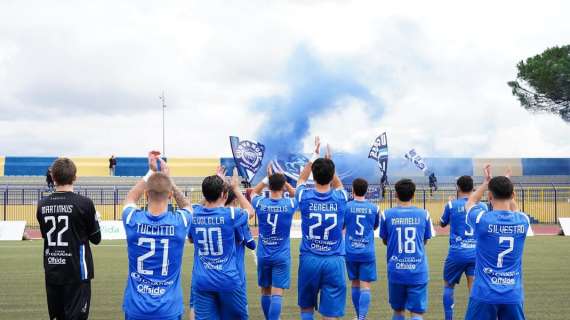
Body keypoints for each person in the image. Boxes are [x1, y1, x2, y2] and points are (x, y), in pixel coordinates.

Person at [122, 151, 192, 320]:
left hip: (136, 307)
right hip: (168, 307)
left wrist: (151, 172)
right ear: (169, 195)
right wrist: (170, 182)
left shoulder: (132, 219)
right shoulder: (179, 222)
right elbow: (188, 206)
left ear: (146, 194)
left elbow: (130, 198)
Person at [36, 157, 101, 320]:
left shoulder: (42, 204)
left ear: (53, 177)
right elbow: (96, 238)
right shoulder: (84, 203)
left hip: (53, 271)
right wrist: (96, 220)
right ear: (75, 177)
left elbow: (45, 235)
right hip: (77, 272)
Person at [464, 165, 530, 320]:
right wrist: (506, 182)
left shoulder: (482, 220)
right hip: (512, 294)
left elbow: (471, 202)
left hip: (484, 293)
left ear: (489, 197)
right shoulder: (523, 221)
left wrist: (486, 182)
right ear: (513, 194)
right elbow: (516, 210)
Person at [188, 168, 255, 320]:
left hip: (202, 278)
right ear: (224, 195)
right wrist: (236, 189)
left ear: (204, 195)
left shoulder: (194, 213)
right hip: (227, 278)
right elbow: (250, 211)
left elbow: (191, 239)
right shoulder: (230, 214)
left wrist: (215, 185)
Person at [296, 137, 348, 320]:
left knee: (307, 308)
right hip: (334, 260)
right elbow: (339, 185)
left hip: (310, 258)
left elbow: (301, 178)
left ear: (314, 175)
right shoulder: (341, 197)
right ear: (332, 174)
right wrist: (330, 162)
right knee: (330, 313)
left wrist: (314, 154)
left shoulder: (304, 196)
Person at [380, 178, 432, 320]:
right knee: (417, 313)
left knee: (398, 311)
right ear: (414, 195)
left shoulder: (387, 214)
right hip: (418, 270)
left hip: (396, 270)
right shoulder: (424, 214)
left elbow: (385, 240)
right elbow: (425, 240)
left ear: (396, 194)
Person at [251, 162, 297, 320]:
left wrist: (267, 178)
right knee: (277, 293)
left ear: (268, 187)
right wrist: (284, 182)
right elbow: (296, 194)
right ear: (283, 187)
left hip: (264, 254)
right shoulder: (289, 204)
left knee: (265, 291)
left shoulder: (261, 203)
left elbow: (253, 193)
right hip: (282, 255)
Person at [439, 175, 487, 320]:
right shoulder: (482, 206)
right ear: (473, 188)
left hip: (457, 252)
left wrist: (449, 205)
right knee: (473, 289)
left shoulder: (452, 205)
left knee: (448, 286)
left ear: (458, 188)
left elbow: (442, 223)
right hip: (476, 253)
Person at [344, 178, 380, 320]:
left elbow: (342, 226)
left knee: (354, 283)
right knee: (365, 286)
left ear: (353, 190)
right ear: (367, 191)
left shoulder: (346, 207)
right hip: (367, 251)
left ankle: (359, 315)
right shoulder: (374, 208)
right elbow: (375, 226)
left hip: (350, 250)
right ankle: (362, 317)